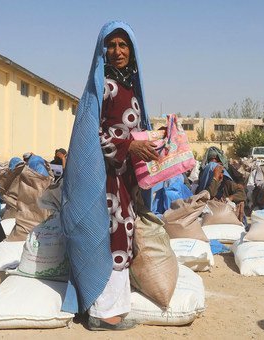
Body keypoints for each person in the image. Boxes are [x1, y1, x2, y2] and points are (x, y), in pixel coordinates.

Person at [59, 22, 157, 331]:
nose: (117, 51)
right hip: (104, 178)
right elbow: (91, 134)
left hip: (126, 177)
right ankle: (103, 312)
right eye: (111, 45)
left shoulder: (133, 86)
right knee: (109, 238)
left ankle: (116, 307)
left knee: (124, 236)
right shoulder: (101, 86)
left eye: (123, 45)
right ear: (103, 51)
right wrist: (128, 145)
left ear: (133, 51)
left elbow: (136, 130)